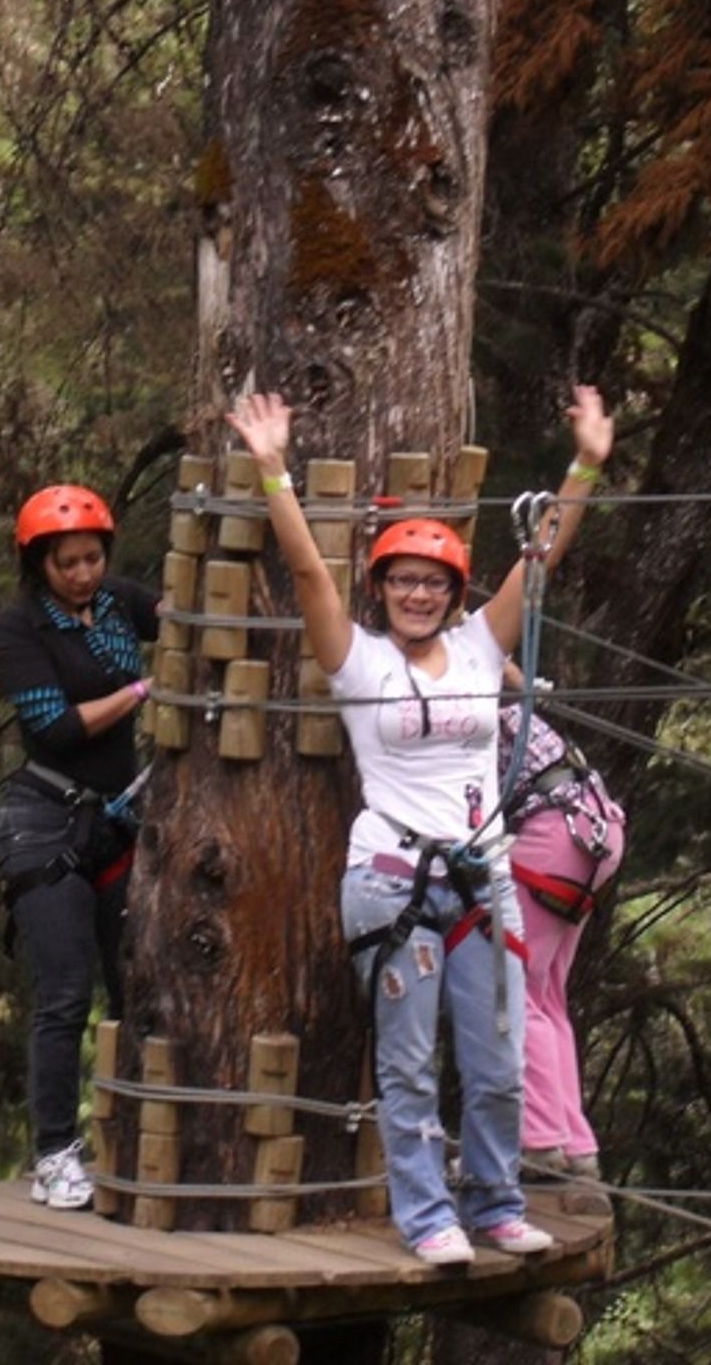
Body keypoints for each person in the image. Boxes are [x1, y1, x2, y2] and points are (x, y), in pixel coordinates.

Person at [226, 386, 614, 1266]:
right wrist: (275, 473)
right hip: (393, 881)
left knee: (498, 1063)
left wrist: (586, 467)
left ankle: (496, 1204)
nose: (417, 594)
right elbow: (309, 576)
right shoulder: (358, 663)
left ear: (453, 593)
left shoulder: (481, 648)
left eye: (433, 583)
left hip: (481, 879)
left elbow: (540, 562)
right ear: (381, 590)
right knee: (406, 1064)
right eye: (402, 580)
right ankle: (428, 1215)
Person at [0, 483, 159, 1210]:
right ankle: (55, 1153)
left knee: (136, 984)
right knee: (64, 993)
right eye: (67, 563)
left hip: (112, 825)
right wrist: (144, 692)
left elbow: (184, 614)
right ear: (39, 564)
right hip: (44, 825)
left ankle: (135, 1135)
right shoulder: (21, 626)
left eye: (93, 558)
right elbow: (55, 728)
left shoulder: (117, 602)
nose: (84, 574)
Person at [498, 667, 626, 1181]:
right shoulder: (508, 705)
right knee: (547, 994)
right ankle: (576, 1145)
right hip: (594, 829)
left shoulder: (465, 706)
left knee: (515, 988)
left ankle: (539, 1139)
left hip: (557, 834)